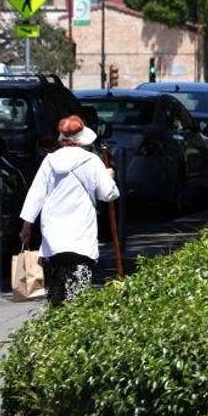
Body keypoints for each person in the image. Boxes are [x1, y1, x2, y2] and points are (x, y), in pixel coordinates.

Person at [19, 115, 119, 306]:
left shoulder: (50, 161)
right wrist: (109, 176)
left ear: (61, 136)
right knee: (78, 298)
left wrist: (26, 225)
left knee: (56, 295)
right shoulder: (92, 161)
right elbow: (108, 194)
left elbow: (36, 194)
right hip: (81, 237)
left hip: (53, 238)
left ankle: (54, 328)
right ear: (81, 138)